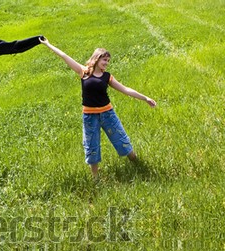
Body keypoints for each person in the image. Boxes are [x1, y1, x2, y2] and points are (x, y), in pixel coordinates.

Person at [39, 37, 157, 177]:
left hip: (108, 114)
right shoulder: (84, 72)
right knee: (92, 145)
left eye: (108, 61)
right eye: (104, 60)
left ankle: (137, 164)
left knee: (121, 139)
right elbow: (65, 56)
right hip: (90, 117)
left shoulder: (107, 77)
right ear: (96, 58)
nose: (106, 63)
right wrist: (48, 44)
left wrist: (145, 98)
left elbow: (125, 89)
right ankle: (95, 178)